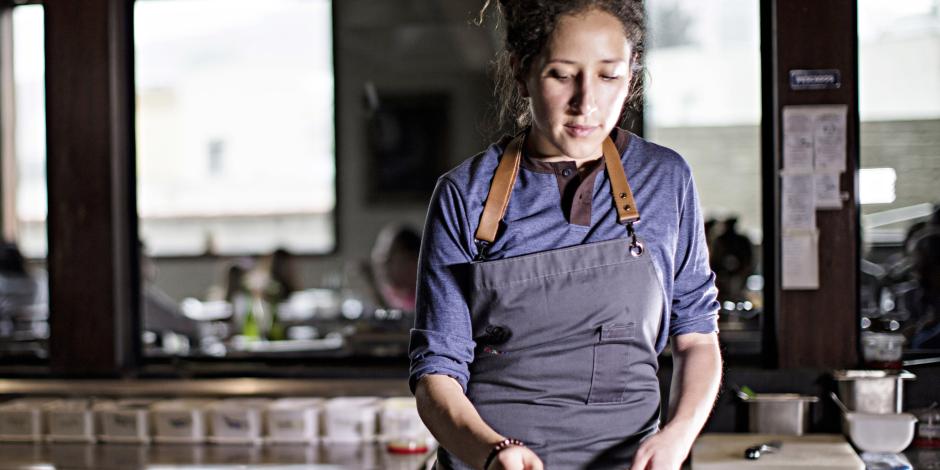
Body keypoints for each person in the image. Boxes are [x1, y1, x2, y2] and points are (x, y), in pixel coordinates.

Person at [408, 2, 722, 469]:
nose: (586, 104)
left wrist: (677, 435)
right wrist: (494, 453)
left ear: (631, 73)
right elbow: (436, 373)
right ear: (522, 71)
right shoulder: (465, 196)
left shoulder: (665, 179)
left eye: (608, 76)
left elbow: (696, 337)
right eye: (561, 75)